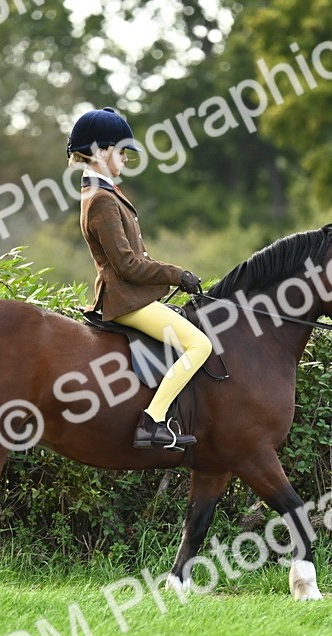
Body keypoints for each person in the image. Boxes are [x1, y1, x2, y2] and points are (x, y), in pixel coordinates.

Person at [67, 106, 212, 451]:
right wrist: (178, 275)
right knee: (199, 345)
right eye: (122, 152)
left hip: (132, 295)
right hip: (126, 299)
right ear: (101, 152)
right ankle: (153, 421)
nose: (126, 160)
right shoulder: (101, 199)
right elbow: (128, 265)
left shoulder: (103, 192)